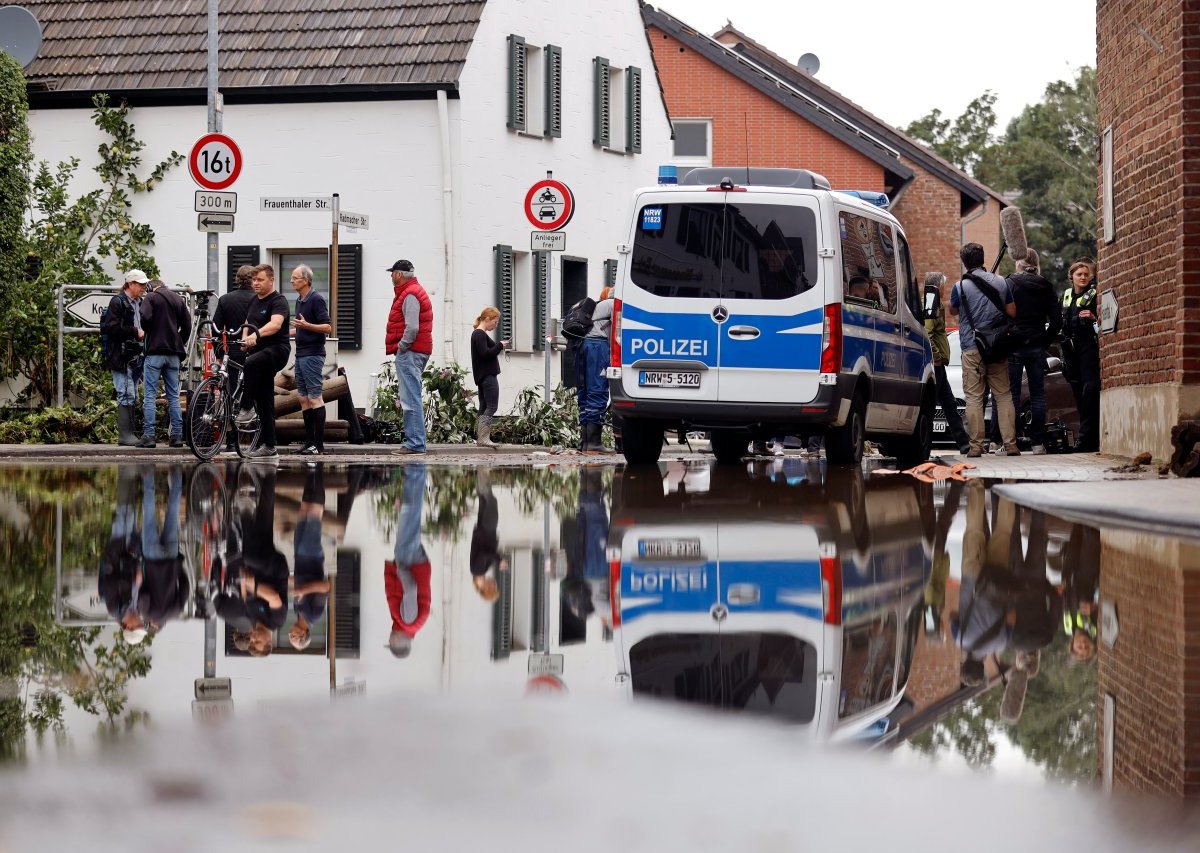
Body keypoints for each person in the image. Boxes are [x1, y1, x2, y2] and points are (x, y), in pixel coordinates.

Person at [949, 242, 1019, 457]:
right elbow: (1012, 311)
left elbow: (953, 310)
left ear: (964, 261)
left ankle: (976, 447)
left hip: (971, 347)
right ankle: (1011, 445)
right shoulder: (1000, 282)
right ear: (982, 257)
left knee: (973, 397)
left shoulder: (959, 286)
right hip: (997, 345)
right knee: (1004, 395)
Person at [1005, 249, 1062, 455]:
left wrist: (1009, 334)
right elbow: (1057, 321)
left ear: (1018, 263)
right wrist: (1044, 341)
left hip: (1014, 344)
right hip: (1037, 345)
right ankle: (1038, 443)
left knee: (1012, 395)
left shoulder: (1009, 283)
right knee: (1038, 395)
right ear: (1036, 264)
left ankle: (1013, 441)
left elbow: (1002, 314)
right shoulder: (1045, 286)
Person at [236, 264, 291, 460]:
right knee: (265, 399)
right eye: (254, 280)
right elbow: (247, 324)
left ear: (271, 280)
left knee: (251, 364)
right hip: (259, 352)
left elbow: (275, 325)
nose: (255, 283)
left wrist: (256, 336)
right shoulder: (253, 301)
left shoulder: (279, 301)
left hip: (277, 350)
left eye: (260, 280)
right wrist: (245, 340)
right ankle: (270, 446)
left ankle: (246, 407)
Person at [384, 259, 434, 455]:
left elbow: (412, 327)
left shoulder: (410, 294)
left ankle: (415, 444)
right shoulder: (413, 291)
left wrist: (402, 347)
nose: (390, 276)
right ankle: (416, 442)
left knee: (410, 398)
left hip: (410, 351)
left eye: (392, 273)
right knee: (412, 396)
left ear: (398, 274)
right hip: (417, 350)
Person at [238, 464, 288, 656]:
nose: (253, 638)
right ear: (268, 642)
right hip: (275, 570)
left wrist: (243, 580)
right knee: (249, 555)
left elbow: (245, 598)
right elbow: (274, 597)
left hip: (258, 564)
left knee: (265, 520)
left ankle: (268, 476)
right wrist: (255, 586)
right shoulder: (277, 620)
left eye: (251, 642)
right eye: (257, 643)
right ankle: (245, 510)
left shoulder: (251, 618)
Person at [138, 277, 193, 448]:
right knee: (174, 396)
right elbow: (187, 325)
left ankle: (149, 436)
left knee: (150, 395)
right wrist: (178, 340)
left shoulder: (151, 298)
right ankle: (176, 436)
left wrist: (150, 330)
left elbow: (145, 316)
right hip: (173, 354)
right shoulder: (178, 299)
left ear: (151, 287)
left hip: (155, 352)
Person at [922, 272, 970, 455]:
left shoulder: (932, 302)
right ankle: (925, 446)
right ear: (937, 287)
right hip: (936, 363)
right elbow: (929, 332)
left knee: (949, 404)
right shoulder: (932, 303)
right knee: (933, 406)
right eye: (943, 286)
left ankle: (964, 444)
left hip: (939, 364)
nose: (944, 290)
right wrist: (936, 355)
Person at [386, 463, 431, 657]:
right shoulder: (408, 621)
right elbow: (410, 589)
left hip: (413, 563)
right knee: (410, 513)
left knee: (410, 514)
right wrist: (400, 569)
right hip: (408, 563)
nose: (388, 639)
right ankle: (415, 470)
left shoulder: (410, 624)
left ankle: (415, 473)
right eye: (391, 642)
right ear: (398, 641)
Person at [212, 264, 257, 450]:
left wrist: (220, 354)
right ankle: (256, 437)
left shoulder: (225, 299)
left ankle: (231, 439)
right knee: (254, 392)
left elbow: (216, 328)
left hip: (232, 352)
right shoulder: (258, 299)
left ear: (237, 279)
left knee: (230, 393)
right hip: (254, 351)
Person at [289, 265, 333, 455]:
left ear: (306, 280)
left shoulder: (316, 299)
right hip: (300, 354)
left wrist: (307, 325)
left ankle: (318, 445)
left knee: (315, 397)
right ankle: (309, 442)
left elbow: (327, 327)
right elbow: (301, 328)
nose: (291, 281)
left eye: (295, 277)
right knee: (303, 398)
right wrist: (284, 333)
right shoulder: (300, 300)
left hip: (313, 354)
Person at [102, 271, 147, 446]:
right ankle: (125, 435)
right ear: (130, 283)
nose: (143, 287)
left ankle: (130, 433)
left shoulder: (140, 303)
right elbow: (112, 328)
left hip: (135, 355)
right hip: (121, 356)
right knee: (126, 393)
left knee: (133, 393)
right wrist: (135, 332)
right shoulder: (118, 302)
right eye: (140, 284)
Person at [290, 464, 331, 650]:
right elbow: (325, 586)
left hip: (299, 559)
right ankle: (318, 470)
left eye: (291, 636)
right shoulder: (314, 614)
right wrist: (304, 590)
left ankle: (310, 471)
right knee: (314, 514)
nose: (291, 633)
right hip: (312, 558)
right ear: (305, 634)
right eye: (295, 637)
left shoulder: (297, 611)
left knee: (304, 511)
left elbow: (297, 586)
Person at [1062, 259, 1101, 452]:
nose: (1083, 277)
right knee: (1078, 393)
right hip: (1070, 350)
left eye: (1086, 274)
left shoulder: (1095, 295)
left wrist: (1094, 318)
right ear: (1072, 277)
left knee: (1090, 391)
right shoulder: (1066, 295)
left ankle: (1086, 439)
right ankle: (1085, 437)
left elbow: (1101, 324)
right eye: (1079, 274)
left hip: (1088, 347)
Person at [99, 467, 142, 634]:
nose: (140, 622)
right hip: (131, 552)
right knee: (131, 512)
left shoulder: (114, 609)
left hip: (117, 552)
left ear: (128, 627)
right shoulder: (135, 608)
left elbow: (110, 583)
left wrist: (133, 581)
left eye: (137, 626)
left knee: (123, 512)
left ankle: (126, 473)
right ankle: (131, 477)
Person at [577, 286, 613, 453]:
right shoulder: (613, 304)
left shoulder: (595, 307)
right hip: (598, 347)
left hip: (581, 346)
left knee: (584, 393)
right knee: (598, 391)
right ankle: (594, 443)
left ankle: (584, 443)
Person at [470, 306, 508, 448]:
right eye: (495, 321)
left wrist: (498, 346)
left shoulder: (478, 334)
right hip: (487, 375)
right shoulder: (479, 334)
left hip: (482, 376)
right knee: (492, 406)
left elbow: (487, 351)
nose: (496, 325)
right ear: (487, 319)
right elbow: (485, 354)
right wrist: (499, 345)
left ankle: (481, 438)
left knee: (484, 406)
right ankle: (484, 438)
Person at [469, 468, 507, 601]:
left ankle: (482, 468)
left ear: (487, 588)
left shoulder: (478, 572)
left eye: (494, 587)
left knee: (490, 500)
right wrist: (498, 559)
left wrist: (499, 559)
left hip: (487, 530)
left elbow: (484, 554)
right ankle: (482, 470)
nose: (495, 583)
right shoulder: (479, 572)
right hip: (483, 530)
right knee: (485, 499)